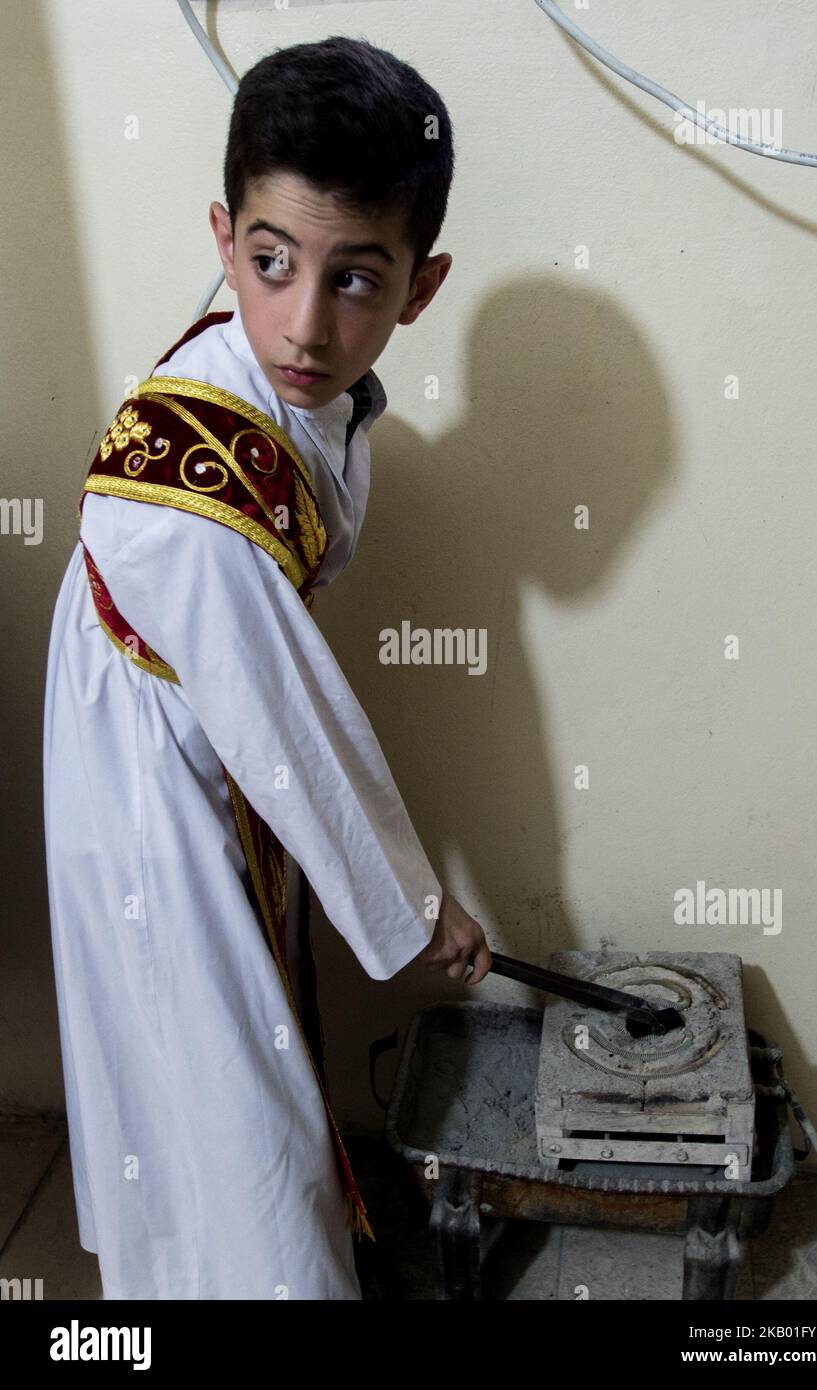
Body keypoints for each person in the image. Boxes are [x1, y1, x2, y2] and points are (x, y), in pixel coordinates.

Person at [42, 35, 491, 1302]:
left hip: (212, 745)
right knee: (221, 1087)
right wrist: (417, 911)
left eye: (356, 279)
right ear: (221, 234)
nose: (303, 324)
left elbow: (272, 690)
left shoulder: (310, 391)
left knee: (220, 1063)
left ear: (421, 285)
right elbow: (284, 708)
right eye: (270, 262)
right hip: (149, 788)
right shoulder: (196, 469)